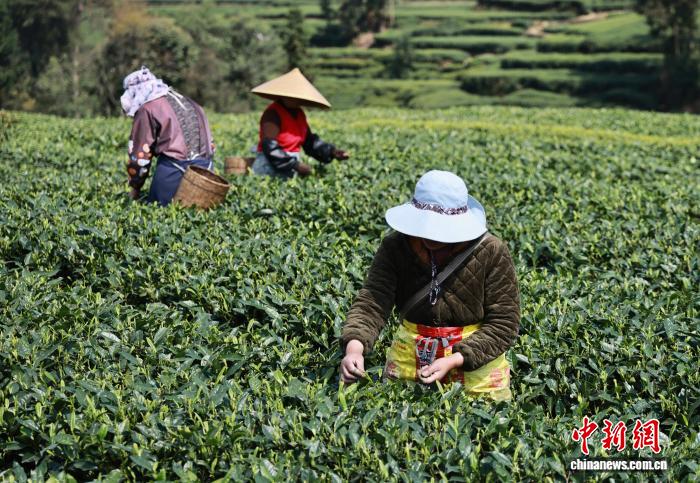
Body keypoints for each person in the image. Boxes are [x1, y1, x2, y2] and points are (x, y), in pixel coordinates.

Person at [339, 170, 520, 401]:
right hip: (409, 358)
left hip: (477, 368)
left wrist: (455, 359)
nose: (432, 236)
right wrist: (355, 349)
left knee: (479, 420)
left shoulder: (491, 251)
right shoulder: (396, 246)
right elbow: (373, 301)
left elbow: (504, 323)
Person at [120, 66, 216, 206]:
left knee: (159, 212)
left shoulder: (147, 108)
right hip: (205, 176)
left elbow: (140, 156)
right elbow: (211, 145)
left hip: (173, 175)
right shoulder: (191, 103)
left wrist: (135, 188)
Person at [250, 68, 349, 178]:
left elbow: (310, 142)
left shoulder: (299, 113)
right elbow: (270, 147)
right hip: (269, 168)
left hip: (290, 167)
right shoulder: (272, 113)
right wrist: (296, 165)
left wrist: (332, 152)